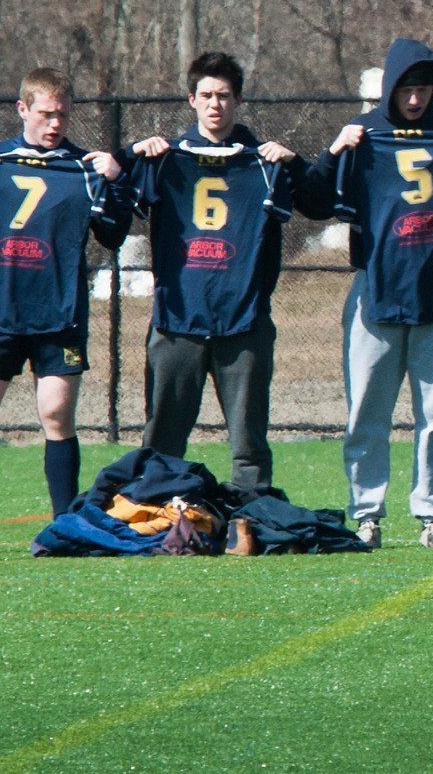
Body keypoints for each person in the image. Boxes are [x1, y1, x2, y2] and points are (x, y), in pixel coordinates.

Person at [305, 38, 433, 549]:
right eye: (406, 89)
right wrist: (334, 152)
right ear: (389, 87)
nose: (415, 100)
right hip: (376, 294)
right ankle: (367, 514)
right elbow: (311, 200)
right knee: (366, 412)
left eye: (424, 89)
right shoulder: (364, 136)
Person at [0, 67, 131, 554]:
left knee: (57, 414)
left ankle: (64, 524)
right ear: (23, 110)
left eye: (62, 114)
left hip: (59, 314)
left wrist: (117, 182)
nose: (55, 123)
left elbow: (114, 235)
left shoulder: (86, 168)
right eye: (45, 113)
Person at [122, 52, 305, 490]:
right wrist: (130, 153)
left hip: (243, 318)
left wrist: (296, 163)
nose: (215, 104)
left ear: (238, 100)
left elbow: (320, 198)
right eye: (206, 94)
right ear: (191, 100)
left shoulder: (263, 162)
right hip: (177, 320)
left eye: (224, 95)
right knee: (163, 437)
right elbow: (106, 182)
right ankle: (158, 513)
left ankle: (250, 521)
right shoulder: (164, 158)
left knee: (249, 442)